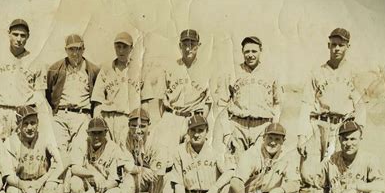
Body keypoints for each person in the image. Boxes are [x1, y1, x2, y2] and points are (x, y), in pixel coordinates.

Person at [297, 28, 365, 186]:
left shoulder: (354, 73)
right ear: (328, 45)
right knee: (309, 174)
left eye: (341, 45)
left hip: (342, 127)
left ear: (348, 46)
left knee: (336, 172)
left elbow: (361, 105)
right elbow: (306, 104)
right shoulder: (317, 72)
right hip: (318, 125)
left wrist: (359, 130)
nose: (337, 49)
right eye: (334, 45)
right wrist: (301, 136)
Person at [213, 36, 281, 166]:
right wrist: (227, 133)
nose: (250, 55)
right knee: (234, 166)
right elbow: (222, 104)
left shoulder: (271, 73)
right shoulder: (232, 72)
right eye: (247, 51)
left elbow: (277, 104)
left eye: (254, 51)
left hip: (262, 125)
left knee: (260, 166)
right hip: (238, 125)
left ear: (261, 51)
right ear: (242, 52)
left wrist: (273, 128)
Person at [0, 19, 48, 141]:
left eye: (23, 35)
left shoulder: (36, 61)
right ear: (8, 34)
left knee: (20, 151)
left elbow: (40, 94)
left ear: (28, 37)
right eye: (15, 34)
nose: (19, 39)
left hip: (23, 112)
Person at [2, 106, 65, 193]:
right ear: (18, 124)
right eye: (25, 124)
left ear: (38, 123)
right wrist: (24, 186)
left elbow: (61, 160)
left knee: (57, 189)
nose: (30, 128)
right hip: (21, 183)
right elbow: (8, 175)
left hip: (42, 180)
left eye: (33, 123)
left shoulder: (45, 137)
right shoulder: (10, 142)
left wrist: (46, 181)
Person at [153, 29, 213, 160]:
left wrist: (200, 120)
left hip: (193, 119)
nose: (188, 48)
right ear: (180, 45)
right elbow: (161, 100)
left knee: (190, 159)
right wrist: (168, 119)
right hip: (173, 116)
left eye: (192, 44)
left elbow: (209, 101)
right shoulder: (170, 67)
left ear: (199, 45)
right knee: (167, 159)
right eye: (185, 44)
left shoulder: (206, 69)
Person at [119, 108, 174, 193]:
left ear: (149, 125)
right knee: (128, 181)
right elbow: (127, 164)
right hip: (143, 172)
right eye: (134, 126)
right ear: (128, 125)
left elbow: (157, 175)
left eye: (142, 126)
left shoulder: (158, 141)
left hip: (163, 177)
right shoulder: (125, 136)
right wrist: (141, 170)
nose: (138, 130)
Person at [91, 32, 153, 146]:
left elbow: (145, 101)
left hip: (129, 119)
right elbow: (98, 100)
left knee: (127, 155)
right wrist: (97, 122)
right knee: (108, 151)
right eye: (118, 47)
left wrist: (144, 123)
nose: (121, 51)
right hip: (108, 118)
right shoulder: (106, 68)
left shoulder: (140, 69)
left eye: (125, 47)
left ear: (131, 48)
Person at [66, 118, 123, 193]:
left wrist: (95, 191)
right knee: (75, 182)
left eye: (100, 132)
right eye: (93, 133)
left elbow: (115, 180)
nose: (96, 136)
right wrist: (92, 175)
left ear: (106, 132)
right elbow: (74, 168)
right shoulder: (81, 143)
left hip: (104, 188)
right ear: (88, 133)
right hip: (86, 185)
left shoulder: (114, 148)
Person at [46, 33, 100, 157]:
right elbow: (48, 93)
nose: (75, 53)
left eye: (78, 49)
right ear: (65, 49)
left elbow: (97, 96)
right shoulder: (55, 68)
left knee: (79, 152)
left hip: (83, 115)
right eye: (71, 49)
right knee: (59, 152)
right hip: (61, 114)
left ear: (84, 49)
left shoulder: (93, 70)